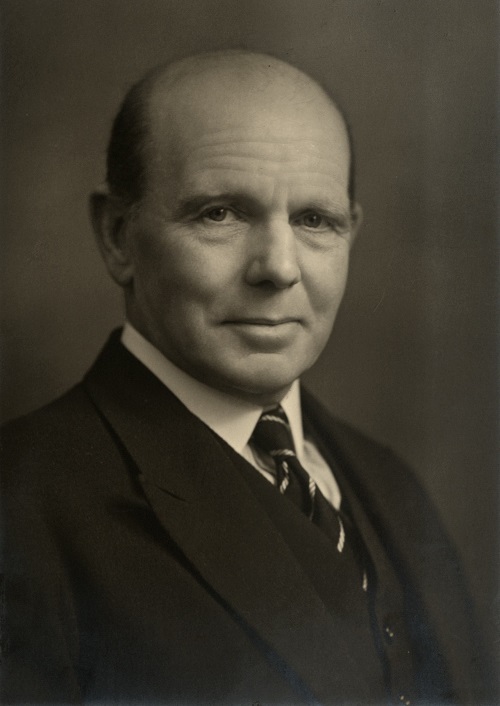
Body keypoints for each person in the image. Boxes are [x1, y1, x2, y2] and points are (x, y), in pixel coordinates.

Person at [0, 51, 490, 705]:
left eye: (314, 220)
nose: (279, 268)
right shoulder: (21, 507)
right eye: (221, 213)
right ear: (118, 236)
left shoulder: (391, 486)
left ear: (351, 232)